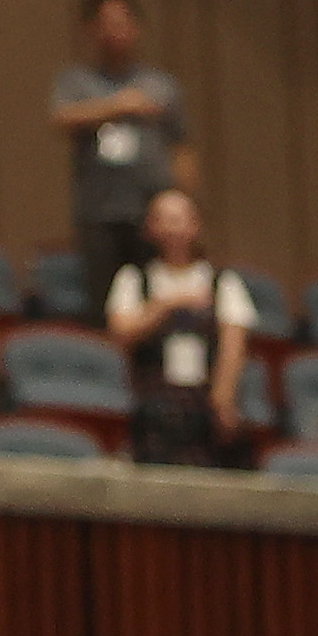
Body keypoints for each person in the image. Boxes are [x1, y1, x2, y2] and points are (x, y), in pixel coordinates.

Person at [49, 0, 189, 310]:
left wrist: (183, 200)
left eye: (124, 22)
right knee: (105, 302)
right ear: (91, 30)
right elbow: (61, 118)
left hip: (152, 214)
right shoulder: (77, 82)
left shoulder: (160, 84)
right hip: (100, 213)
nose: (116, 31)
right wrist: (119, 105)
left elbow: (182, 144)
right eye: (107, 23)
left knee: (154, 296)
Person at [103, 187, 254, 468]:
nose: (172, 228)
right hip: (151, 403)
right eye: (163, 219)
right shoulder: (133, 279)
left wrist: (223, 400)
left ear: (196, 225)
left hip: (204, 402)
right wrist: (166, 305)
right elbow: (120, 334)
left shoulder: (225, 282)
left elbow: (234, 345)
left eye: (179, 219)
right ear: (150, 227)